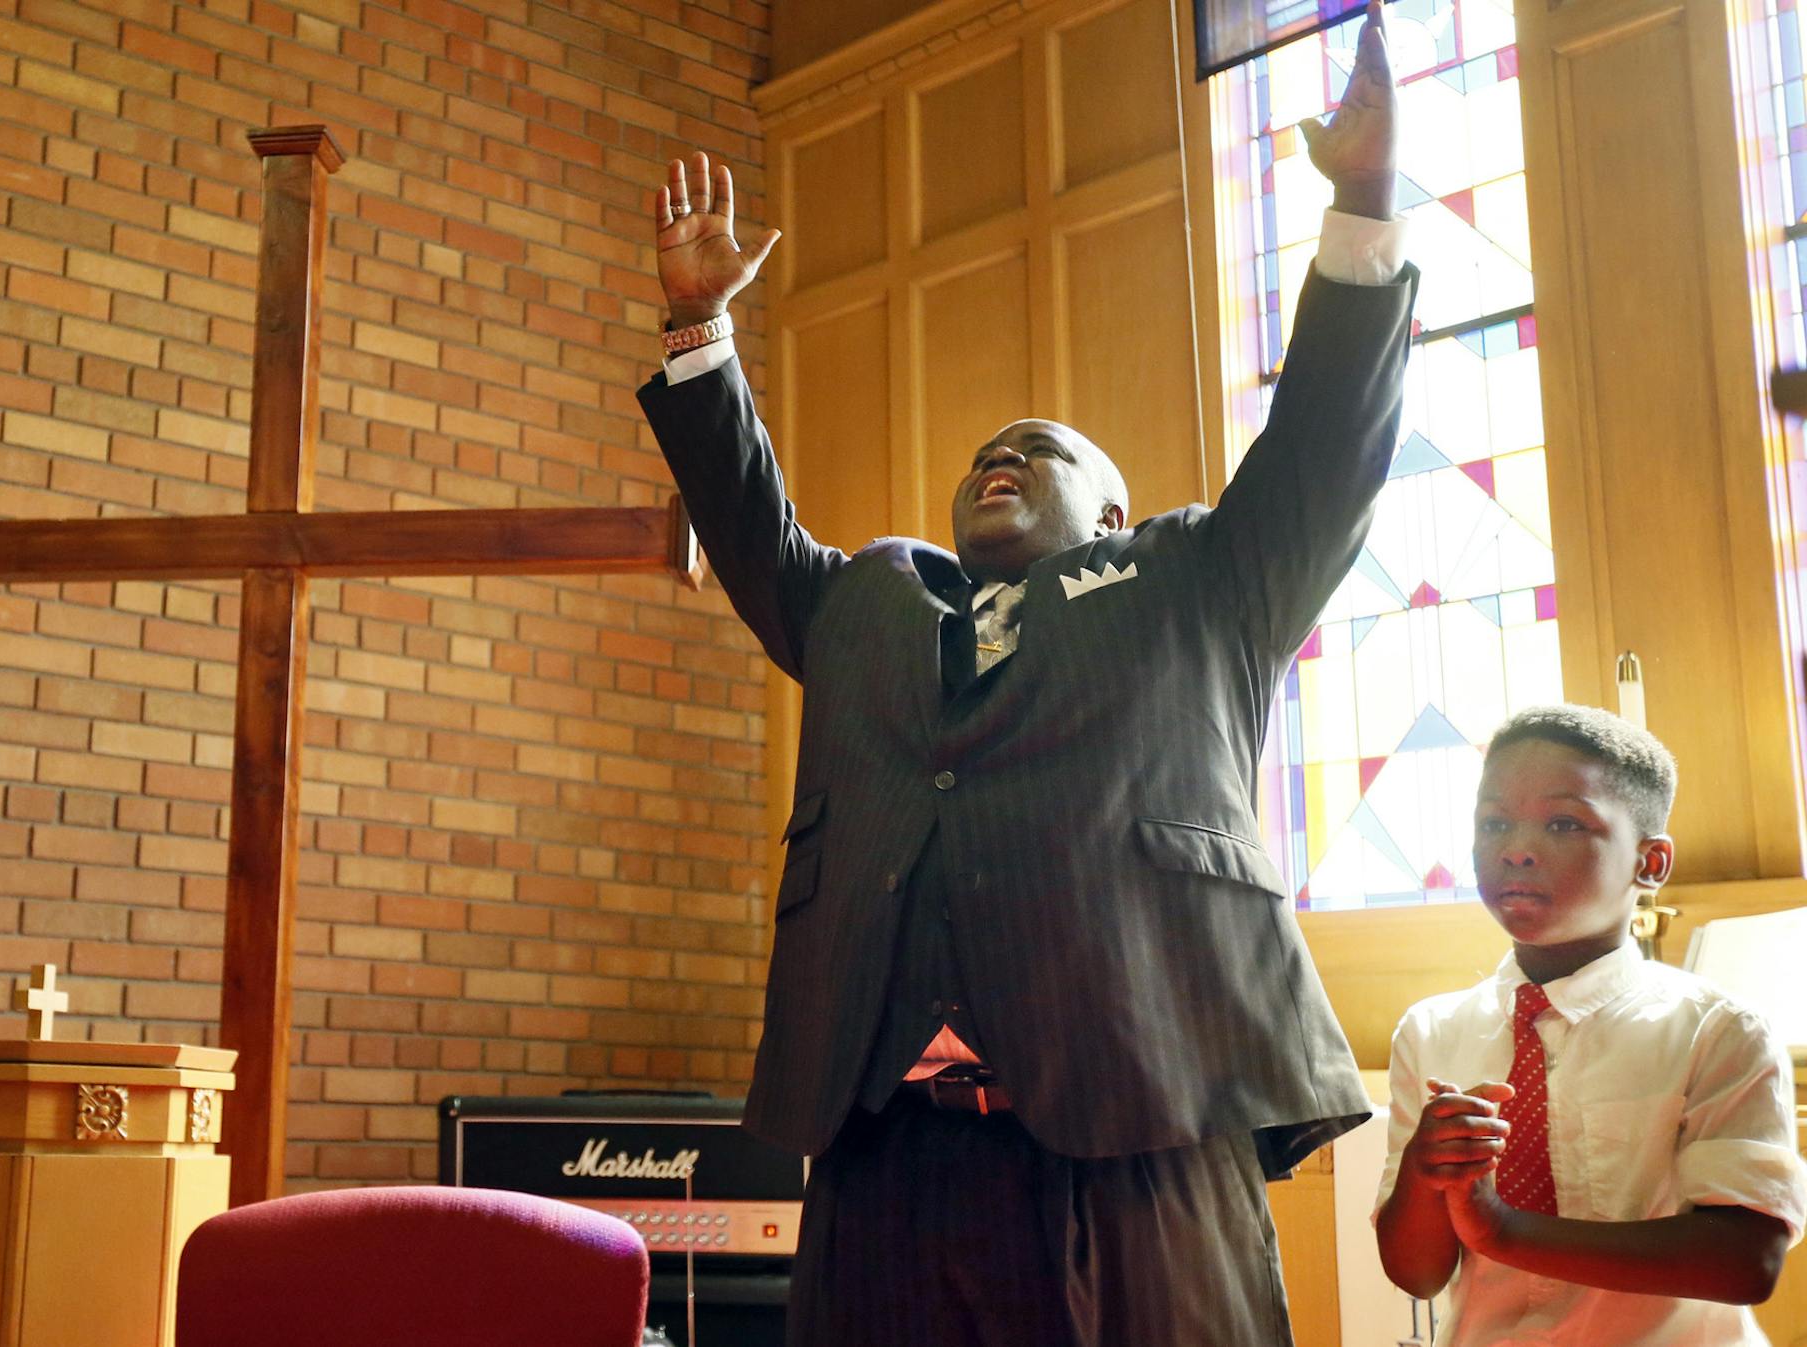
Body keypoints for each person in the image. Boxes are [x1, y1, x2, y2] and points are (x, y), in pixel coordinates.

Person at [635, 6, 1414, 1340]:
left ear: (1110, 515)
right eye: (987, 450)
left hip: (1136, 1119)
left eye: (1039, 451)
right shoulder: (868, 601)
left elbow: (1325, 451)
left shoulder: (1197, 583)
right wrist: (699, 327)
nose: (1001, 458)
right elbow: (751, 527)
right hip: (884, 1143)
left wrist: (1363, 207)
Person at [1374, 705, 1807, 1345]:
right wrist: (1424, 1169)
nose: (1516, 849)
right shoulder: (1432, 1031)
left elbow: (1747, 1262)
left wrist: (1502, 1230)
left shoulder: (1716, 1031)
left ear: (1650, 863)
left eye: (1563, 822)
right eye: (1494, 822)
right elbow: (1416, 1274)